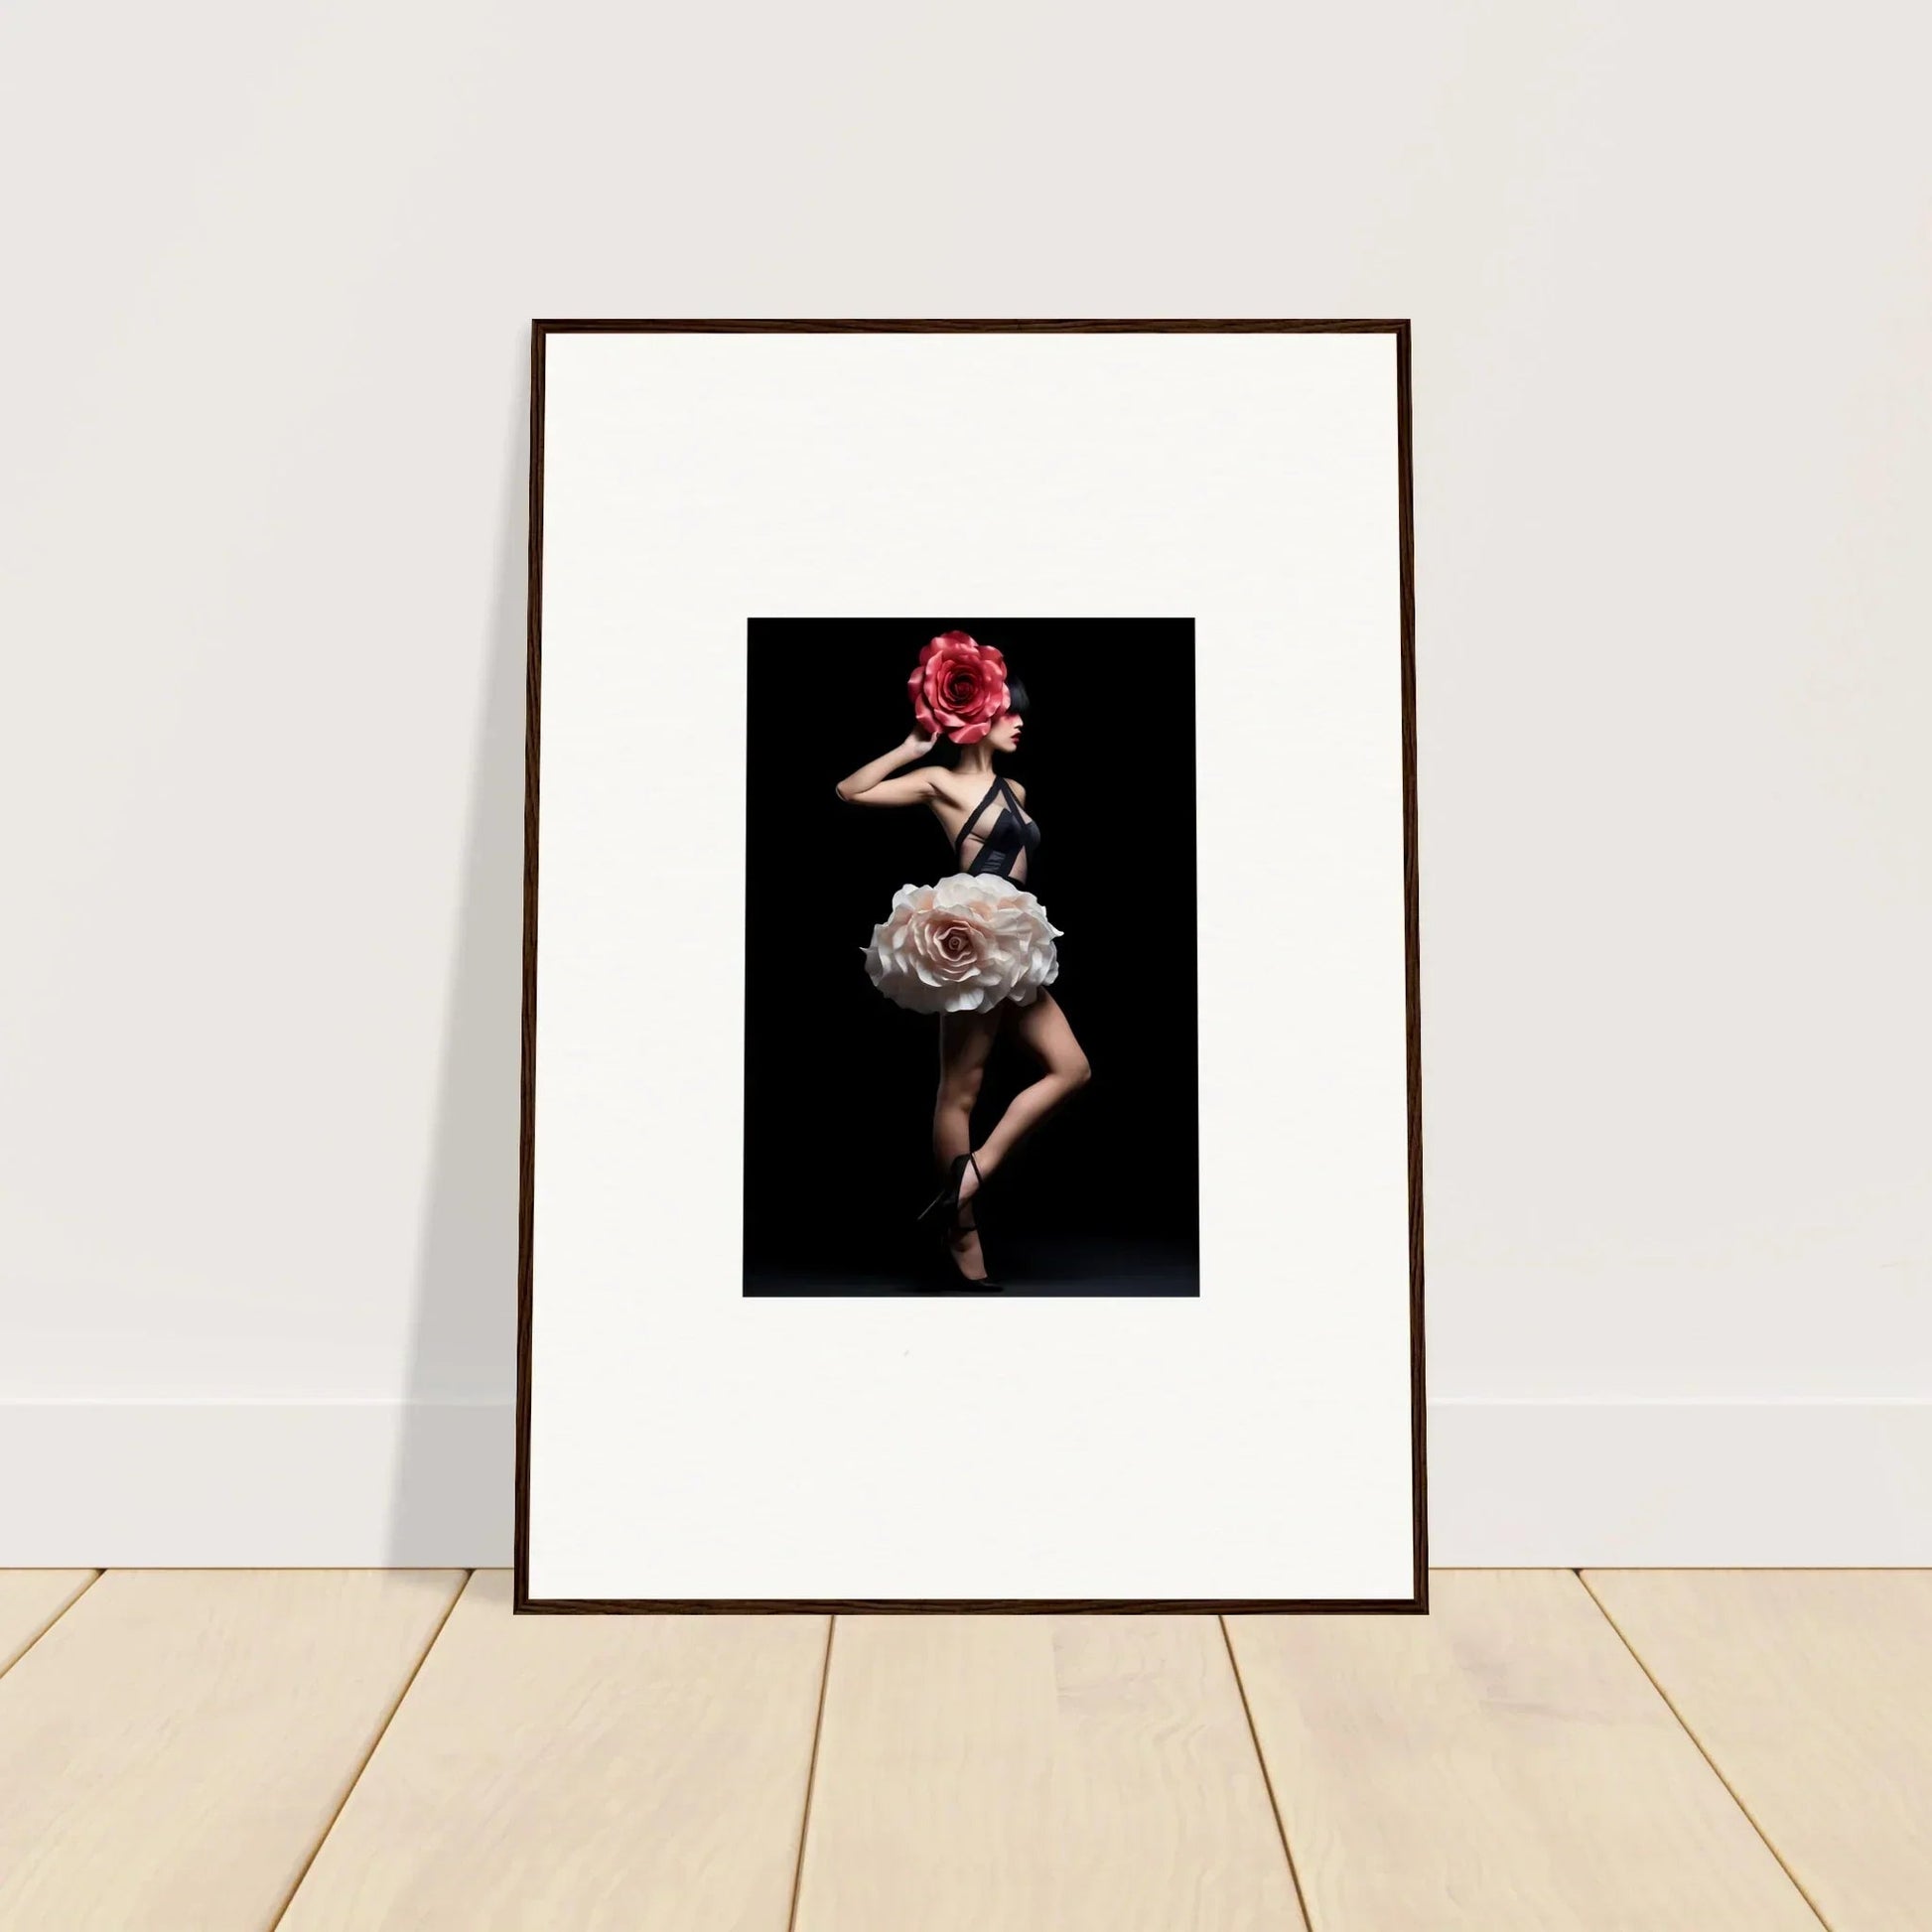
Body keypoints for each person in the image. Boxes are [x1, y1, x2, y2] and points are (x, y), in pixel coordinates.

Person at [836, 631, 1091, 1291]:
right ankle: (964, 1232)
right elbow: (850, 792)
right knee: (961, 1091)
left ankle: (970, 1175)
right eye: (1010, 712)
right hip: (972, 941)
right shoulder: (940, 782)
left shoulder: (1018, 790)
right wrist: (911, 747)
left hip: (1014, 941)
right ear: (979, 718)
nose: (1019, 723)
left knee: (1072, 1069)